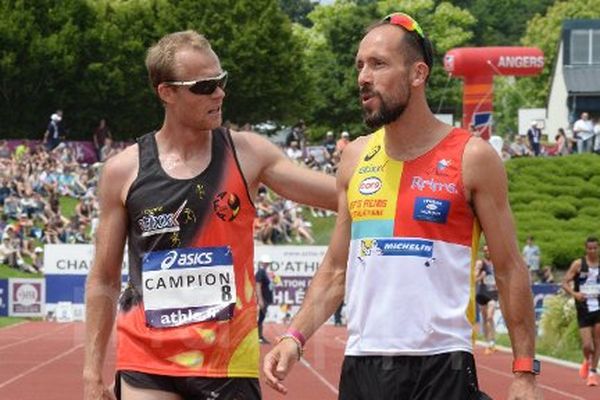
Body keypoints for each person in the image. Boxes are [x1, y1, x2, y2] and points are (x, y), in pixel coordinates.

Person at [264, 13, 540, 400]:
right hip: (363, 365)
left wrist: (524, 373)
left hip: (442, 364)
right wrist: (294, 336)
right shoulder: (355, 157)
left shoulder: (472, 157)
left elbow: (510, 269)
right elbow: (336, 269)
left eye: (378, 64)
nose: (363, 77)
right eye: (359, 65)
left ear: (417, 74)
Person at [83, 30, 337, 400]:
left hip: (228, 362)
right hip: (148, 361)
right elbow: (103, 277)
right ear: (166, 92)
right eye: (204, 86)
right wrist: (92, 372)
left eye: (221, 81)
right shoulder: (124, 171)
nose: (219, 93)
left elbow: (340, 196)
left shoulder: (248, 153)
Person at [562, 237, 600, 387]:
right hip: (583, 308)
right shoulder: (578, 264)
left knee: (598, 342)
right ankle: (586, 359)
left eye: (594, 248)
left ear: (598, 248)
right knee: (587, 346)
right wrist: (575, 294)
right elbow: (564, 282)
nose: (592, 251)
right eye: (589, 248)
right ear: (585, 249)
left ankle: (593, 373)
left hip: (598, 306)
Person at [475, 245, 498, 355]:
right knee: (485, 318)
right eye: (485, 251)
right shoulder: (480, 263)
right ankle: (488, 342)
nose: (487, 252)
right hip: (482, 293)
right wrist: (481, 276)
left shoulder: (496, 263)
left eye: (488, 250)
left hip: (492, 293)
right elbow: (473, 278)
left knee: (490, 317)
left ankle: (492, 342)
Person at [255, 254, 274, 344]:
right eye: (265, 263)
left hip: (266, 299)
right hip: (263, 299)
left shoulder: (265, 272)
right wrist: (260, 300)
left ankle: (260, 336)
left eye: (268, 263)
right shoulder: (260, 272)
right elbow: (257, 286)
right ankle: (258, 338)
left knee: (261, 318)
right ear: (262, 263)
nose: (267, 264)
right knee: (260, 319)